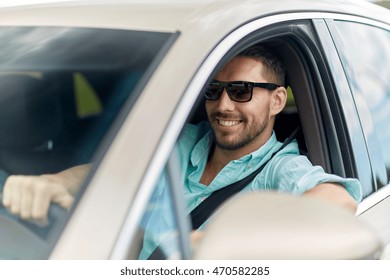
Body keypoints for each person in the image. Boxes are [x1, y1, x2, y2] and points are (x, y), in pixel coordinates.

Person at [1, 45, 362, 257]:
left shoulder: (281, 168)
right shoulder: (183, 140)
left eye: (240, 91)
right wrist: (53, 182)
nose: (222, 106)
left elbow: (337, 200)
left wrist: (232, 240)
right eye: (214, 90)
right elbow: (114, 170)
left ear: (277, 101)